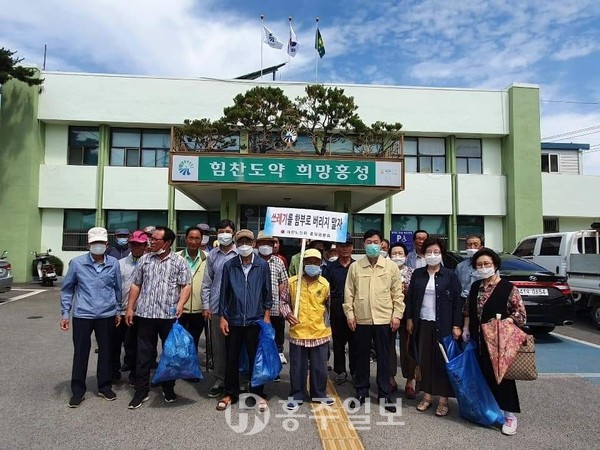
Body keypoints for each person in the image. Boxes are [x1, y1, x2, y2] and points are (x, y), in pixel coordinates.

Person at [125, 226, 191, 409]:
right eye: (151, 238)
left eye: (155, 239)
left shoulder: (179, 261)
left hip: (169, 316)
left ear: (167, 242)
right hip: (145, 314)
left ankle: (168, 387)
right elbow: (136, 285)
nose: (151, 241)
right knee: (143, 354)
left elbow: (186, 285)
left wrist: (180, 304)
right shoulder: (145, 260)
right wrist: (130, 307)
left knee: (169, 354)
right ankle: (141, 390)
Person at [463, 248, 526, 436]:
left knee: (502, 377)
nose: (483, 268)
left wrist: (507, 320)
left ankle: (509, 415)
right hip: (478, 340)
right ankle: (488, 410)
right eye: (479, 265)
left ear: (495, 265)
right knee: (482, 375)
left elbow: (521, 315)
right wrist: (466, 328)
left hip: (500, 342)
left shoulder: (508, 288)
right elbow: (467, 310)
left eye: (487, 264)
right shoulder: (475, 287)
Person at [60, 227, 122, 408]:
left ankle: (104, 386)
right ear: (88, 244)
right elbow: (67, 290)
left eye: (101, 243)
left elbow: (117, 288)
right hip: (83, 314)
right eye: (95, 243)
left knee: (106, 352)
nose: (98, 246)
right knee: (80, 352)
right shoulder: (77, 263)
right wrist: (65, 313)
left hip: (107, 314)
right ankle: (77, 391)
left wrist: (118, 310)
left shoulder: (113, 263)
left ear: (107, 245)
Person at [344, 230, 404, 413]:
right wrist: (350, 315)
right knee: (361, 357)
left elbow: (397, 294)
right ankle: (361, 391)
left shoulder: (390, 267)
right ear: (364, 244)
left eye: (376, 242)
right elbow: (349, 292)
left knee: (384, 358)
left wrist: (397, 315)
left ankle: (384, 395)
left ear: (381, 244)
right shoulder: (355, 267)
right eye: (369, 242)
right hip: (361, 319)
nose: (372, 245)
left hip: (384, 319)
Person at [216, 229, 272, 412]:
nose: (244, 245)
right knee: (231, 357)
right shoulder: (229, 265)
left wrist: (266, 316)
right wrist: (223, 316)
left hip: (255, 320)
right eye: (240, 242)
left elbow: (267, 292)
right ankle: (230, 393)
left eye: (248, 241)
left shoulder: (262, 265)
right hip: (234, 319)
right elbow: (224, 292)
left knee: (256, 358)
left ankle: (258, 393)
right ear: (236, 244)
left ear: (254, 244)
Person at [405, 237, 462, 417]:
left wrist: (456, 325)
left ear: (441, 254)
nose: (432, 255)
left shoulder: (450, 275)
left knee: (443, 361)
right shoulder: (418, 274)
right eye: (429, 252)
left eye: (436, 252)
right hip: (423, 322)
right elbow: (411, 298)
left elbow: (457, 302)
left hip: (444, 325)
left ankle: (444, 400)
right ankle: (427, 396)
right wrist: (410, 319)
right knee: (424, 360)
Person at [281, 248, 333, 410]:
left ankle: (319, 394)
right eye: (309, 262)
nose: (312, 265)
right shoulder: (292, 282)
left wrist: (328, 324)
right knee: (297, 367)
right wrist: (288, 314)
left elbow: (329, 307)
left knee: (320, 368)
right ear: (303, 263)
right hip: (299, 331)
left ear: (320, 264)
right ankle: (297, 394)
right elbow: (283, 302)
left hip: (320, 332)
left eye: (315, 262)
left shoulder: (325, 284)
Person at [201, 219, 239, 398]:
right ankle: (220, 379)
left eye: (228, 231)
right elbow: (207, 283)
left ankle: (238, 380)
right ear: (217, 234)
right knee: (219, 347)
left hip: (238, 309)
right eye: (221, 230)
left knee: (238, 346)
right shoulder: (212, 256)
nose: (225, 234)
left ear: (233, 233)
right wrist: (206, 305)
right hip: (216, 307)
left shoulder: (241, 253)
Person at [112, 230, 148, 385]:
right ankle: (113, 372)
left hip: (141, 312)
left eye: (139, 245)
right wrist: (116, 309)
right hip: (121, 310)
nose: (136, 247)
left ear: (145, 246)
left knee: (135, 346)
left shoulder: (150, 263)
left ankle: (135, 374)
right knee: (114, 344)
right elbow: (114, 288)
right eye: (133, 244)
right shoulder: (119, 264)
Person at [323, 232, 357, 385]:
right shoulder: (330, 267)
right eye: (342, 246)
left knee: (356, 341)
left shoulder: (357, 266)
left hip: (355, 308)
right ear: (337, 247)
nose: (345, 249)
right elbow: (325, 289)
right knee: (338, 341)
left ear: (352, 247)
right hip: (336, 307)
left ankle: (355, 370)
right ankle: (341, 371)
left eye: (348, 245)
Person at [256, 230, 289, 368]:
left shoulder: (278, 261)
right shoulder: (251, 260)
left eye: (268, 242)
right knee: (258, 340)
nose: (265, 245)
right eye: (262, 242)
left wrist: (283, 303)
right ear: (257, 244)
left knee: (276, 335)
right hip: (256, 309)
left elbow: (283, 282)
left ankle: (275, 363)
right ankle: (259, 367)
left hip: (275, 307)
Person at [388, 242, 417, 398]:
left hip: (406, 317)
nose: (397, 256)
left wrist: (411, 317)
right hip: (386, 315)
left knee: (407, 349)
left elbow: (414, 298)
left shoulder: (413, 273)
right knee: (388, 347)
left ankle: (409, 381)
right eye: (394, 253)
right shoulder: (384, 272)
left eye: (400, 254)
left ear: (406, 256)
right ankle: (391, 379)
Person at [176, 226, 207, 356]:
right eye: (191, 238)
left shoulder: (208, 258)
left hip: (199, 309)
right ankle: (179, 367)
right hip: (180, 308)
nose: (193, 242)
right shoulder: (176, 258)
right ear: (185, 239)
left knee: (193, 340)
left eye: (197, 239)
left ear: (201, 240)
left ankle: (191, 370)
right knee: (179, 341)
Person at [455, 234, 484, 302]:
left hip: (482, 301)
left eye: (475, 245)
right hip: (464, 301)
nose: (472, 247)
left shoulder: (488, 266)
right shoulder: (460, 266)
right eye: (469, 244)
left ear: (481, 247)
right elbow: (456, 287)